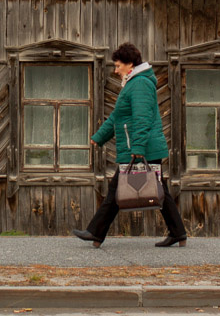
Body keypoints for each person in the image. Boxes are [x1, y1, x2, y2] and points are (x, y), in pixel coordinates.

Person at [72, 42, 187, 247]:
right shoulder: (133, 83)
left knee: (118, 188)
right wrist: (99, 137)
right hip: (141, 146)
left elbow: (142, 118)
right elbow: (118, 116)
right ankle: (178, 233)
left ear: (130, 64)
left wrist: (138, 148)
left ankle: (95, 233)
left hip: (143, 147)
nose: (115, 71)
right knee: (159, 189)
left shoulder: (140, 84)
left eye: (118, 66)